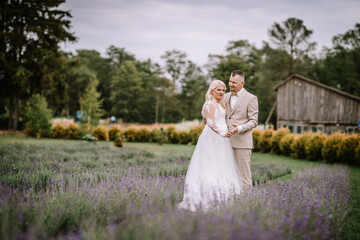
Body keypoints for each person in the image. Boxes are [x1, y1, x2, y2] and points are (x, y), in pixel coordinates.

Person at [178, 80, 243, 211]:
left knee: (222, 164)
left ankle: (224, 196)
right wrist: (222, 132)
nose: (222, 92)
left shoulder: (221, 104)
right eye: (219, 90)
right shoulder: (209, 104)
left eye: (224, 90)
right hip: (213, 137)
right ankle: (206, 197)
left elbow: (206, 119)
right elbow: (209, 122)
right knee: (210, 164)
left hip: (222, 139)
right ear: (212, 91)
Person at [224, 70, 258, 188]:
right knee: (227, 175)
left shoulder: (251, 98)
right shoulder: (225, 96)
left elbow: (254, 121)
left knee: (244, 178)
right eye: (230, 81)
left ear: (242, 83)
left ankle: (247, 203)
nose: (231, 84)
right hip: (225, 143)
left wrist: (239, 128)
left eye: (234, 82)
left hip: (242, 143)